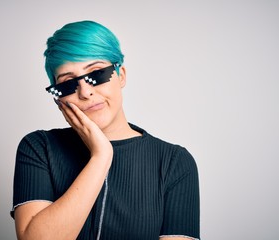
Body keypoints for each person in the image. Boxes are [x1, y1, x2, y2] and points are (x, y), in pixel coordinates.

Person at [11, 20, 200, 240]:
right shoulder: (39, 148)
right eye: (68, 84)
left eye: (97, 73)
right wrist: (101, 156)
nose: (85, 92)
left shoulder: (174, 162)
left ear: (121, 75)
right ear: (58, 97)